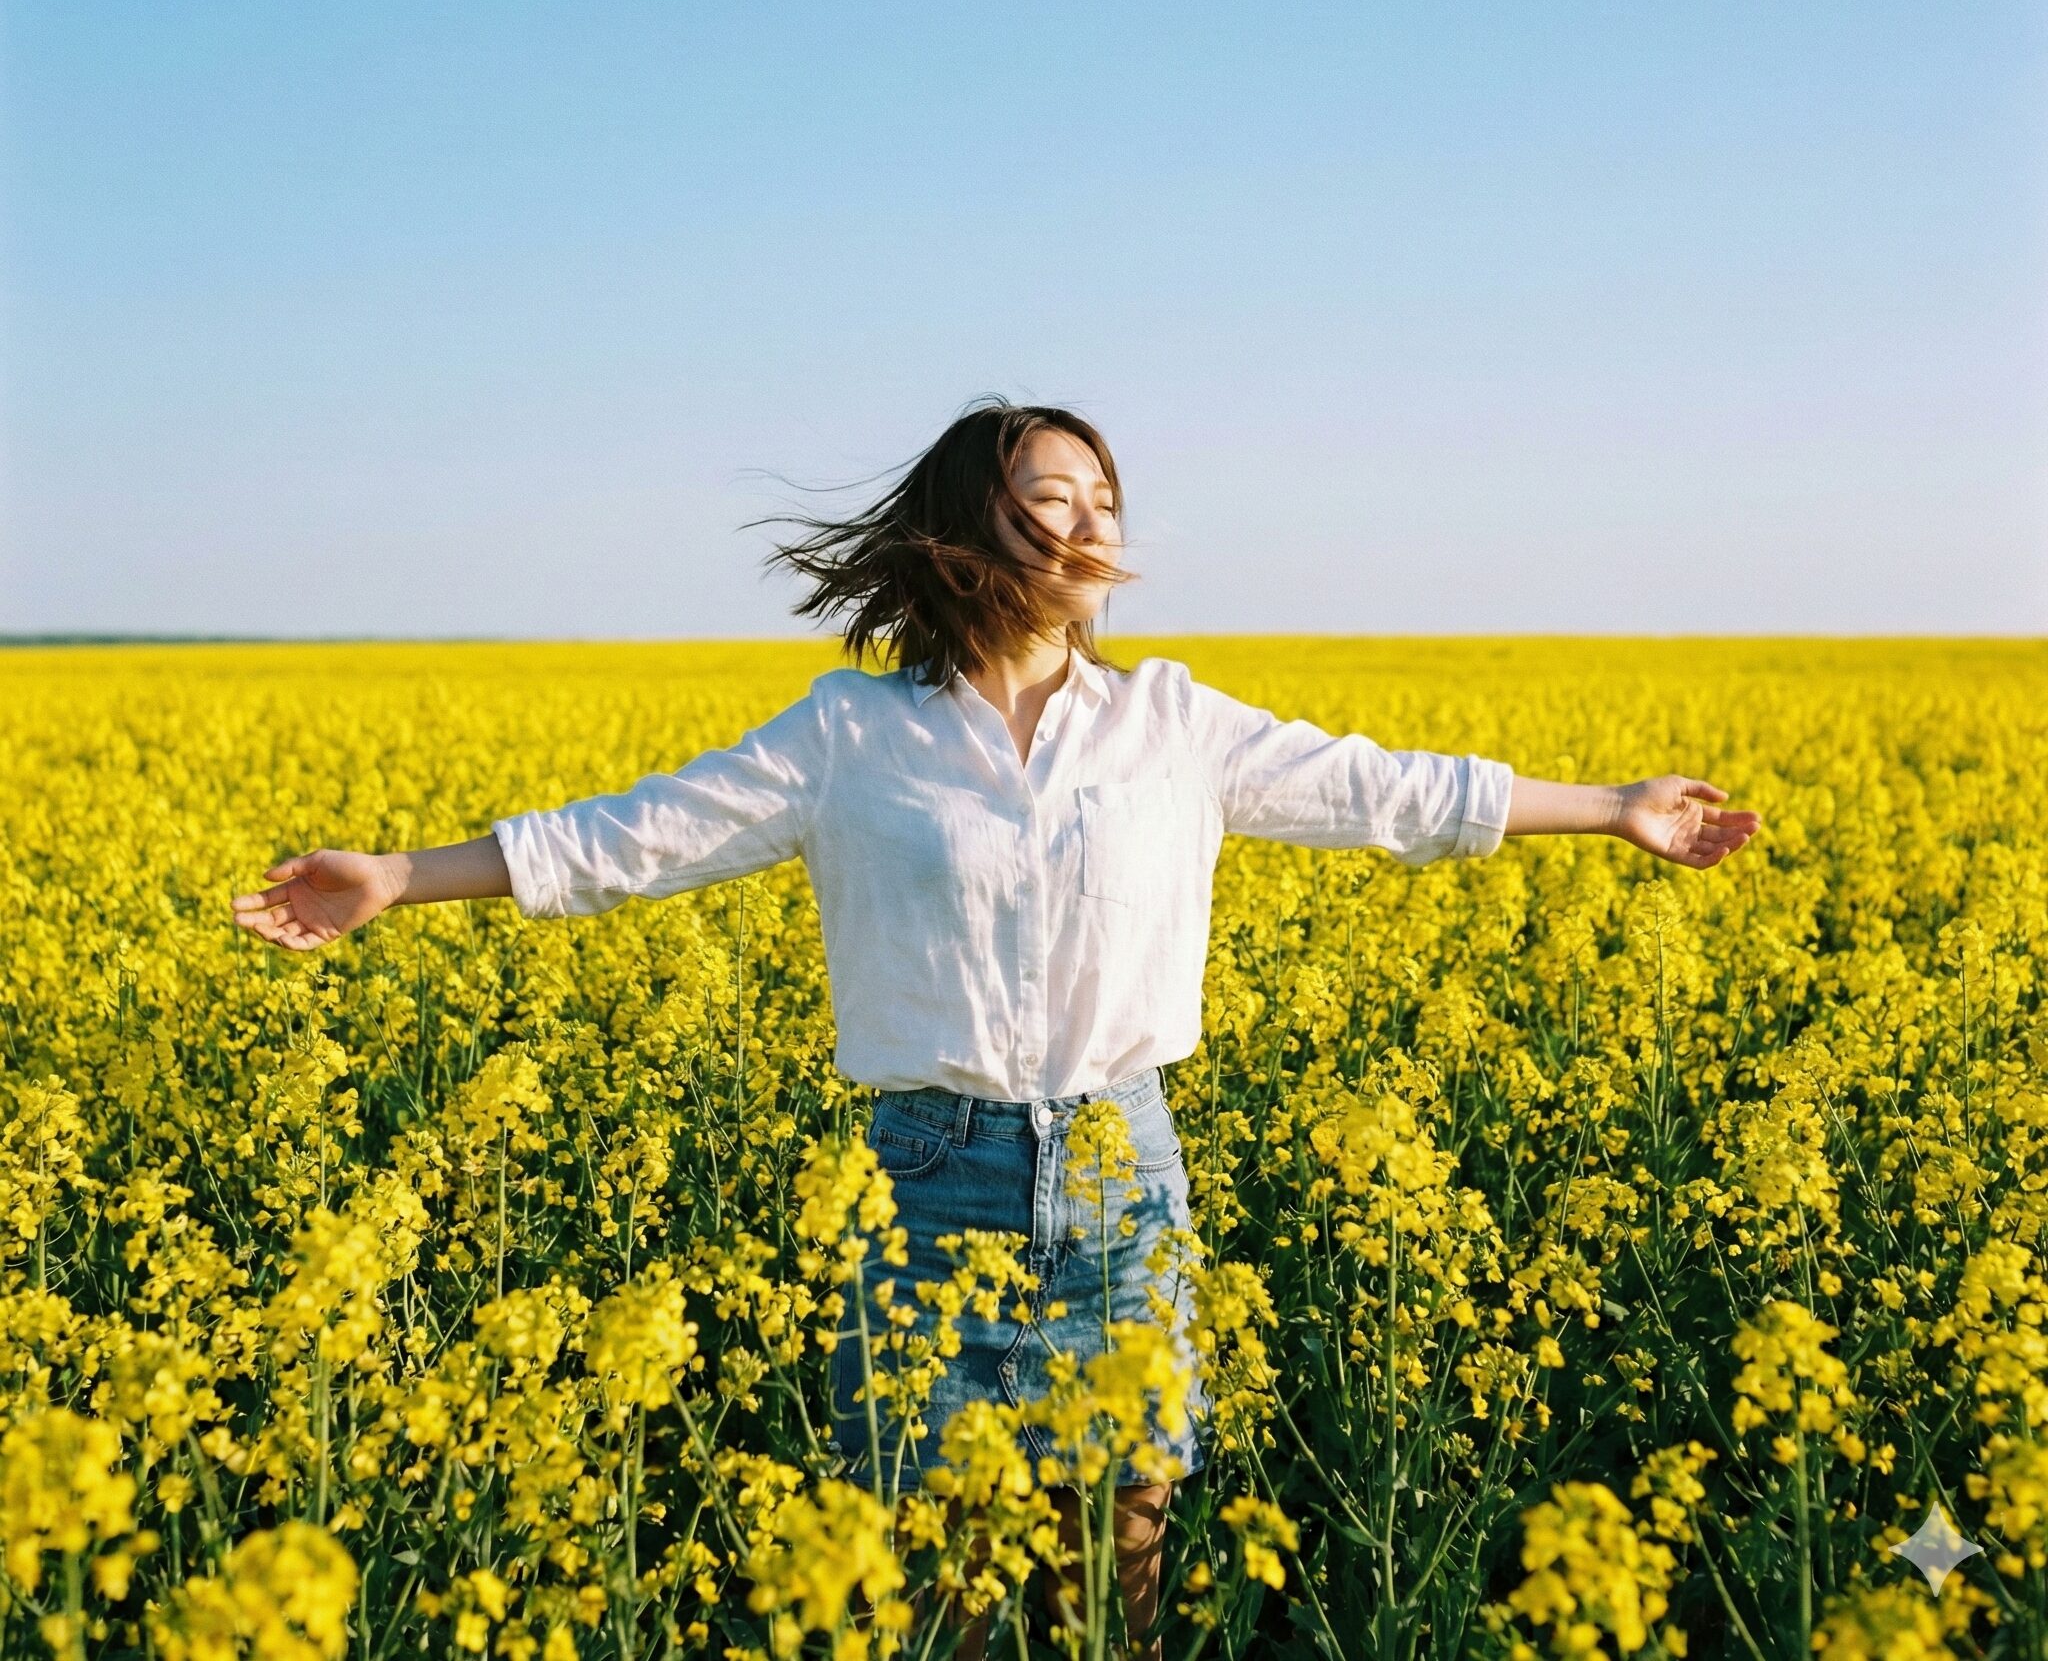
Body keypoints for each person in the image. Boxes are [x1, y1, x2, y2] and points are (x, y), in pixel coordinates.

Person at [230, 395, 1760, 1658]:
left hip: (1119, 1174)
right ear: (972, 529)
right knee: (944, 1606)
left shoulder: (1170, 721)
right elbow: (637, 837)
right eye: (1056, 496)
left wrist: (1612, 808)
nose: (1098, 523)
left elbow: (1395, 793)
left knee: (1119, 1588)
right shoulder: (852, 736)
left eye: (1106, 496)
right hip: (923, 1181)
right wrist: (399, 880)